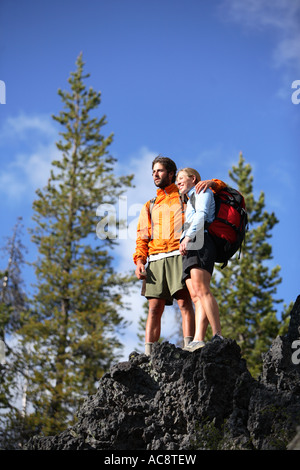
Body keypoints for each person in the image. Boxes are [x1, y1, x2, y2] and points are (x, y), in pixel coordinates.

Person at [133, 156, 225, 355]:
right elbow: (142, 236)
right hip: (155, 258)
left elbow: (212, 191)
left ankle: (189, 347)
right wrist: (140, 260)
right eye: (153, 172)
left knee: (185, 302)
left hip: (179, 252)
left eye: (159, 171)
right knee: (154, 308)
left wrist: (213, 182)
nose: (155, 175)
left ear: (171, 174)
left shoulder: (185, 195)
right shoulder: (150, 205)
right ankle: (149, 356)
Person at [177, 167, 223, 352]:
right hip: (191, 243)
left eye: (181, 178)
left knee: (202, 290)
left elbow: (202, 215)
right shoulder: (189, 198)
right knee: (195, 296)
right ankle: (198, 339)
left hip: (200, 241)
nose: (178, 181)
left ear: (193, 178)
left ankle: (218, 334)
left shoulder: (201, 190)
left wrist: (188, 238)